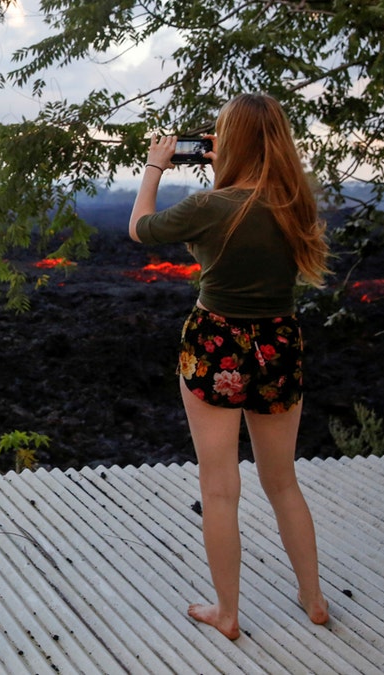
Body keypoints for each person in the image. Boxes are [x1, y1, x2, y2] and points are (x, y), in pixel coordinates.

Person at [129, 92, 332, 640]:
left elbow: (141, 228)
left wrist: (155, 165)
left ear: (230, 142)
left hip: (216, 343)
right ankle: (313, 598)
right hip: (279, 342)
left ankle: (228, 613)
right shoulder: (296, 204)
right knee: (282, 480)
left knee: (220, 487)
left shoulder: (209, 206)